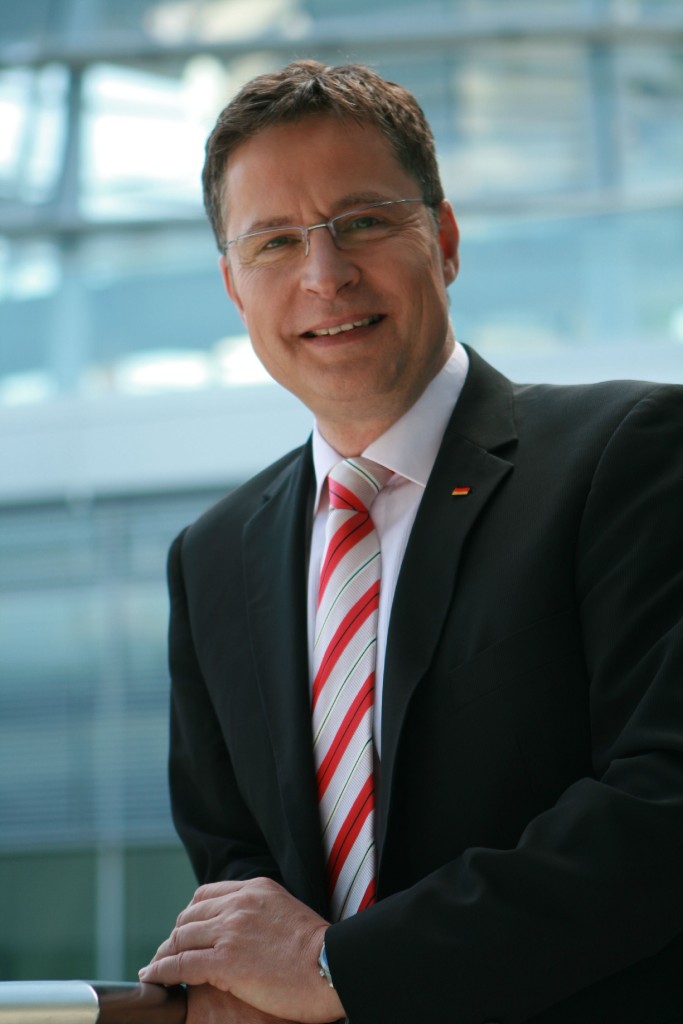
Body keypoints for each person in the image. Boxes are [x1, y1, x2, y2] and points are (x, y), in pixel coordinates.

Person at [138, 60, 683, 1023]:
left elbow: (661, 804)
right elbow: (240, 882)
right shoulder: (212, 558)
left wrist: (342, 968)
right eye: (274, 242)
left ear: (445, 239)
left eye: (362, 222)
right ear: (233, 287)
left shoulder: (628, 454)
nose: (324, 275)